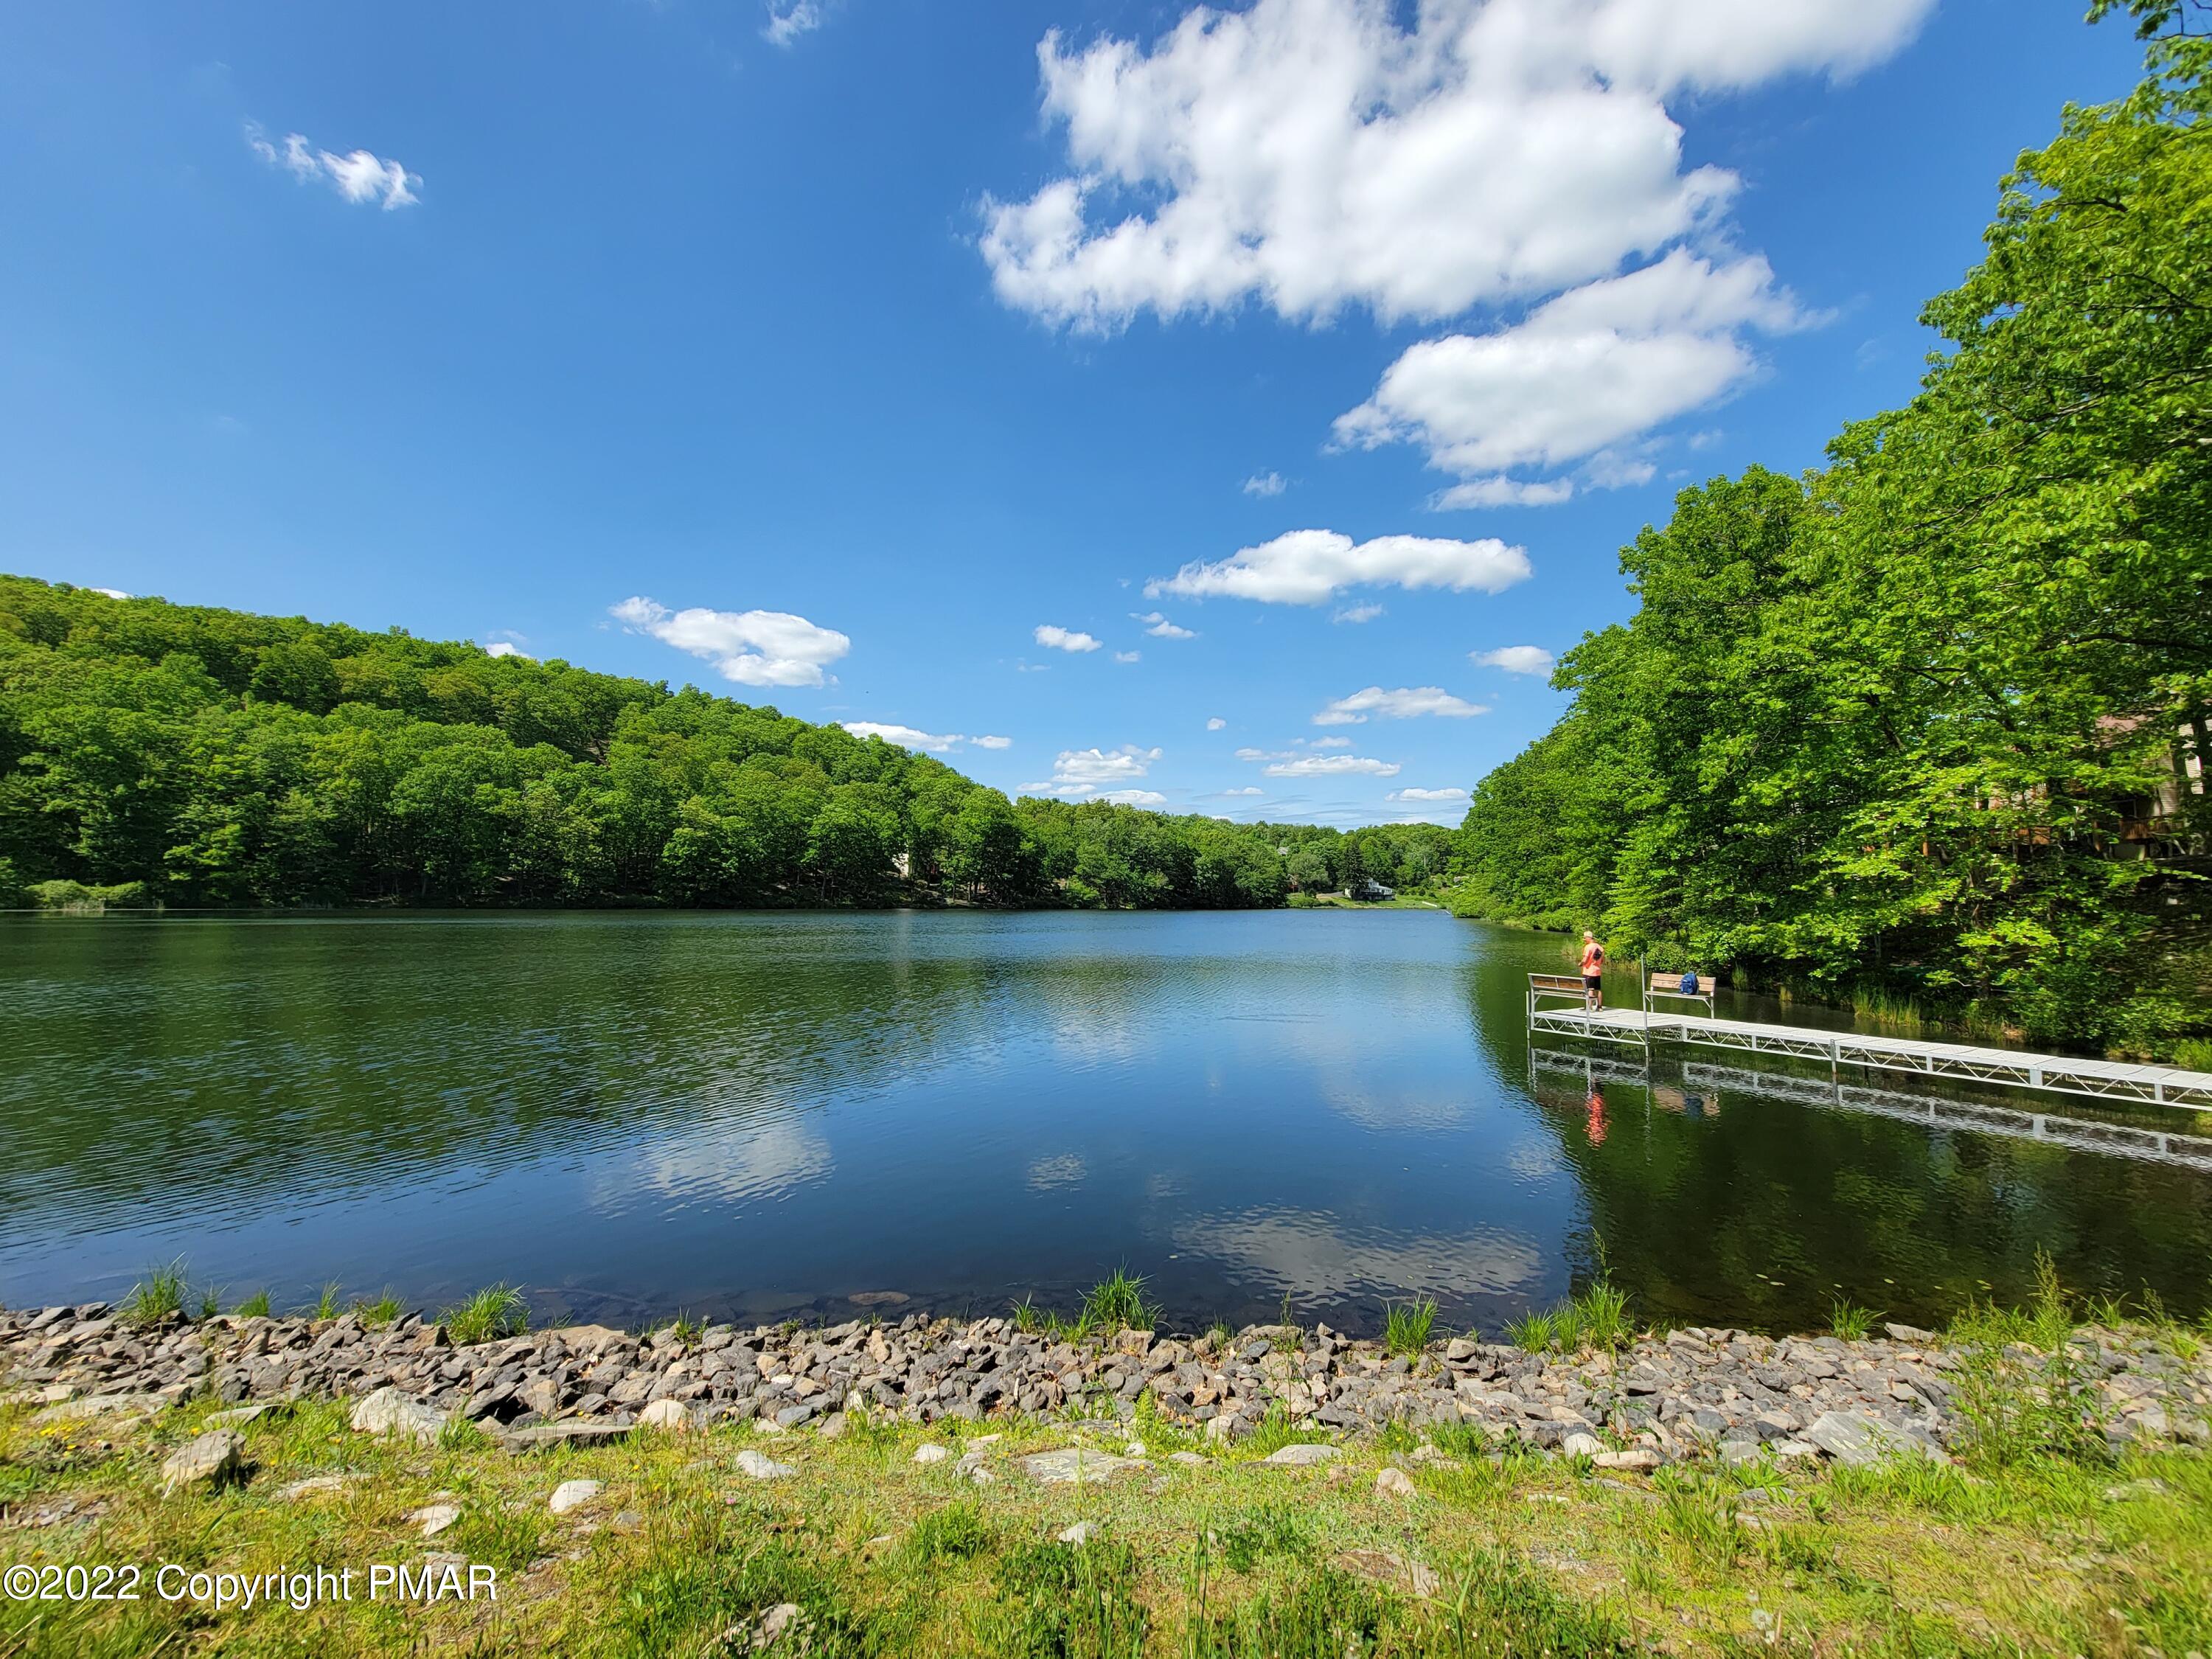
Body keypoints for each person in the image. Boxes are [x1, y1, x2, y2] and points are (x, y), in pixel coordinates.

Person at [1579, 931, 1604, 1012]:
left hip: (1589, 972)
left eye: (1585, 938)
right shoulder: (1599, 947)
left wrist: (1581, 964)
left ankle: (1589, 1007)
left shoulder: (1588, 947)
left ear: (1589, 938)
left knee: (1590, 989)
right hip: (1597, 971)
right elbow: (1602, 959)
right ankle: (1599, 1007)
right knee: (1598, 989)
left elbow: (1585, 959)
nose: (1584, 940)